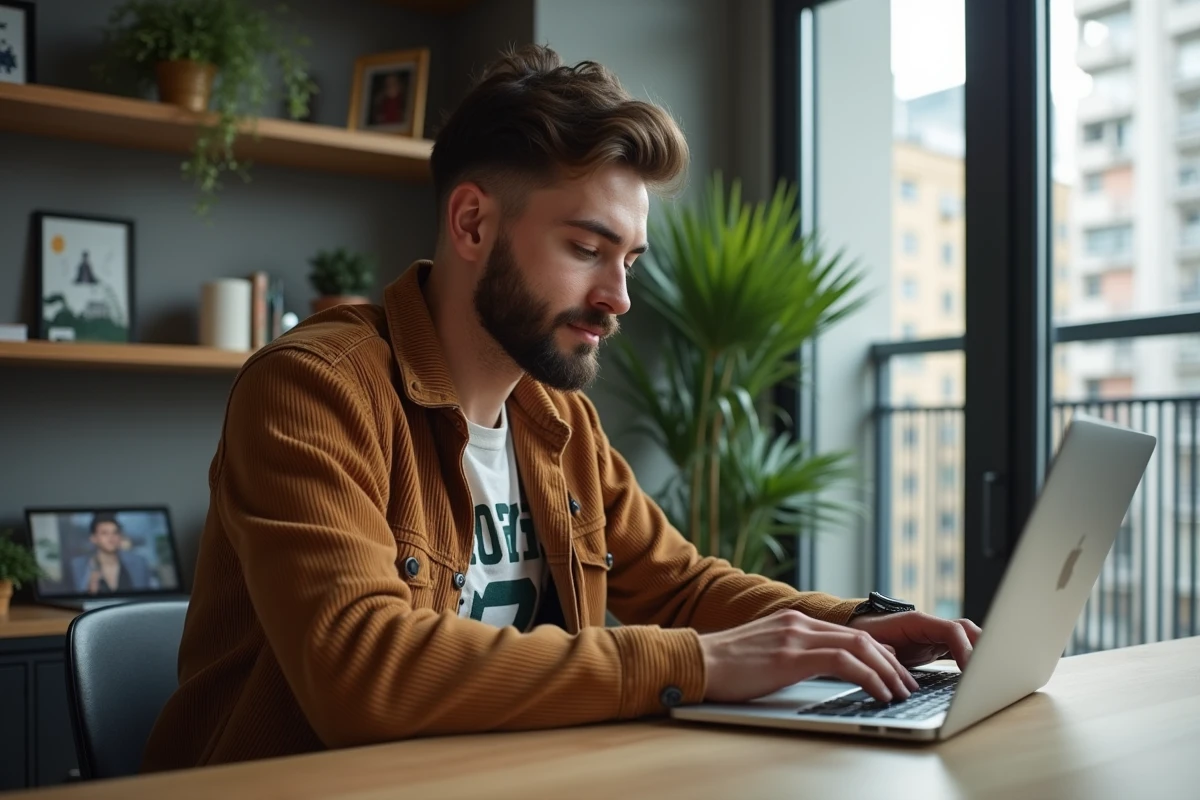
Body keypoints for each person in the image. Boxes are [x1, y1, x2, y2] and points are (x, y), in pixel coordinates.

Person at [141, 44, 981, 773]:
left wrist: (866, 627)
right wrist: (698, 664)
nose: (618, 297)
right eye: (586, 249)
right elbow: (365, 671)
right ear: (472, 223)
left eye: (630, 260)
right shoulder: (314, 388)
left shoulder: (556, 417)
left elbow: (681, 588)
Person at [70, 513, 152, 595]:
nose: (111, 537)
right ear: (93, 538)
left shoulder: (139, 564)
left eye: (115, 532)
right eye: (104, 533)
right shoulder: (79, 567)